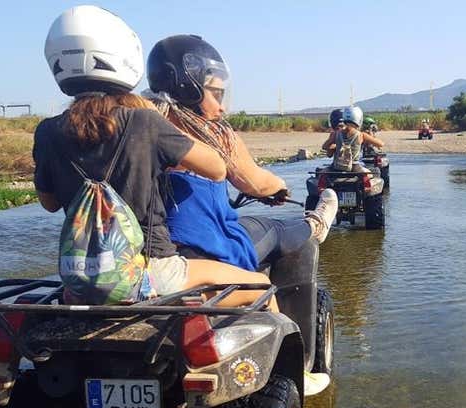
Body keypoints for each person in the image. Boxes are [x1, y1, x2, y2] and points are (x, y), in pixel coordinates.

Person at [34, 6, 276, 310]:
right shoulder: (143, 122)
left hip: (79, 282)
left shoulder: (47, 132)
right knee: (262, 286)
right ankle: (298, 358)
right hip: (152, 271)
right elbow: (216, 169)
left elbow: (50, 203)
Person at [145, 35, 338, 270]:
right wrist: (278, 186)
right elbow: (255, 183)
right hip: (206, 250)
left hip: (147, 256)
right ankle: (316, 225)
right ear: (189, 88)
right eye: (215, 94)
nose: (222, 106)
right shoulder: (213, 135)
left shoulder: (138, 124)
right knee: (274, 229)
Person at [327, 106, 385, 173]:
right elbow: (381, 144)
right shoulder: (361, 134)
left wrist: (335, 147)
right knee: (375, 172)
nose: (340, 128)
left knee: (321, 174)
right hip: (355, 166)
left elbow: (328, 153)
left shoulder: (335, 134)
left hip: (337, 166)